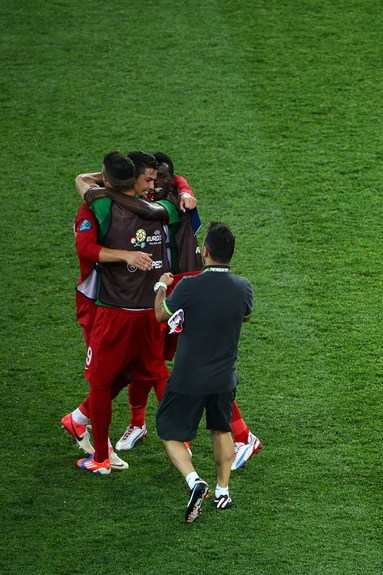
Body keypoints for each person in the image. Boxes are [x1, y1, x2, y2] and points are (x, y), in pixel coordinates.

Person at [72, 151, 180, 474]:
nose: (152, 182)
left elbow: (84, 246)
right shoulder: (165, 209)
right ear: (135, 178)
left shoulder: (99, 203)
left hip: (114, 313)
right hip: (151, 310)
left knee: (102, 383)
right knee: (157, 373)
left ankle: (101, 458)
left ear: (107, 178)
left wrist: (106, 185)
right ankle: (181, 439)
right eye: (146, 177)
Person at [154, 221, 253, 522]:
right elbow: (245, 316)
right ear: (231, 253)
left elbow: (161, 315)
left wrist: (160, 287)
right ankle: (223, 491)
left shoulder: (189, 286)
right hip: (224, 378)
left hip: (188, 377)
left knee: (168, 430)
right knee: (222, 430)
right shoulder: (243, 287)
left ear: (205, 252)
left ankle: (194, 480)